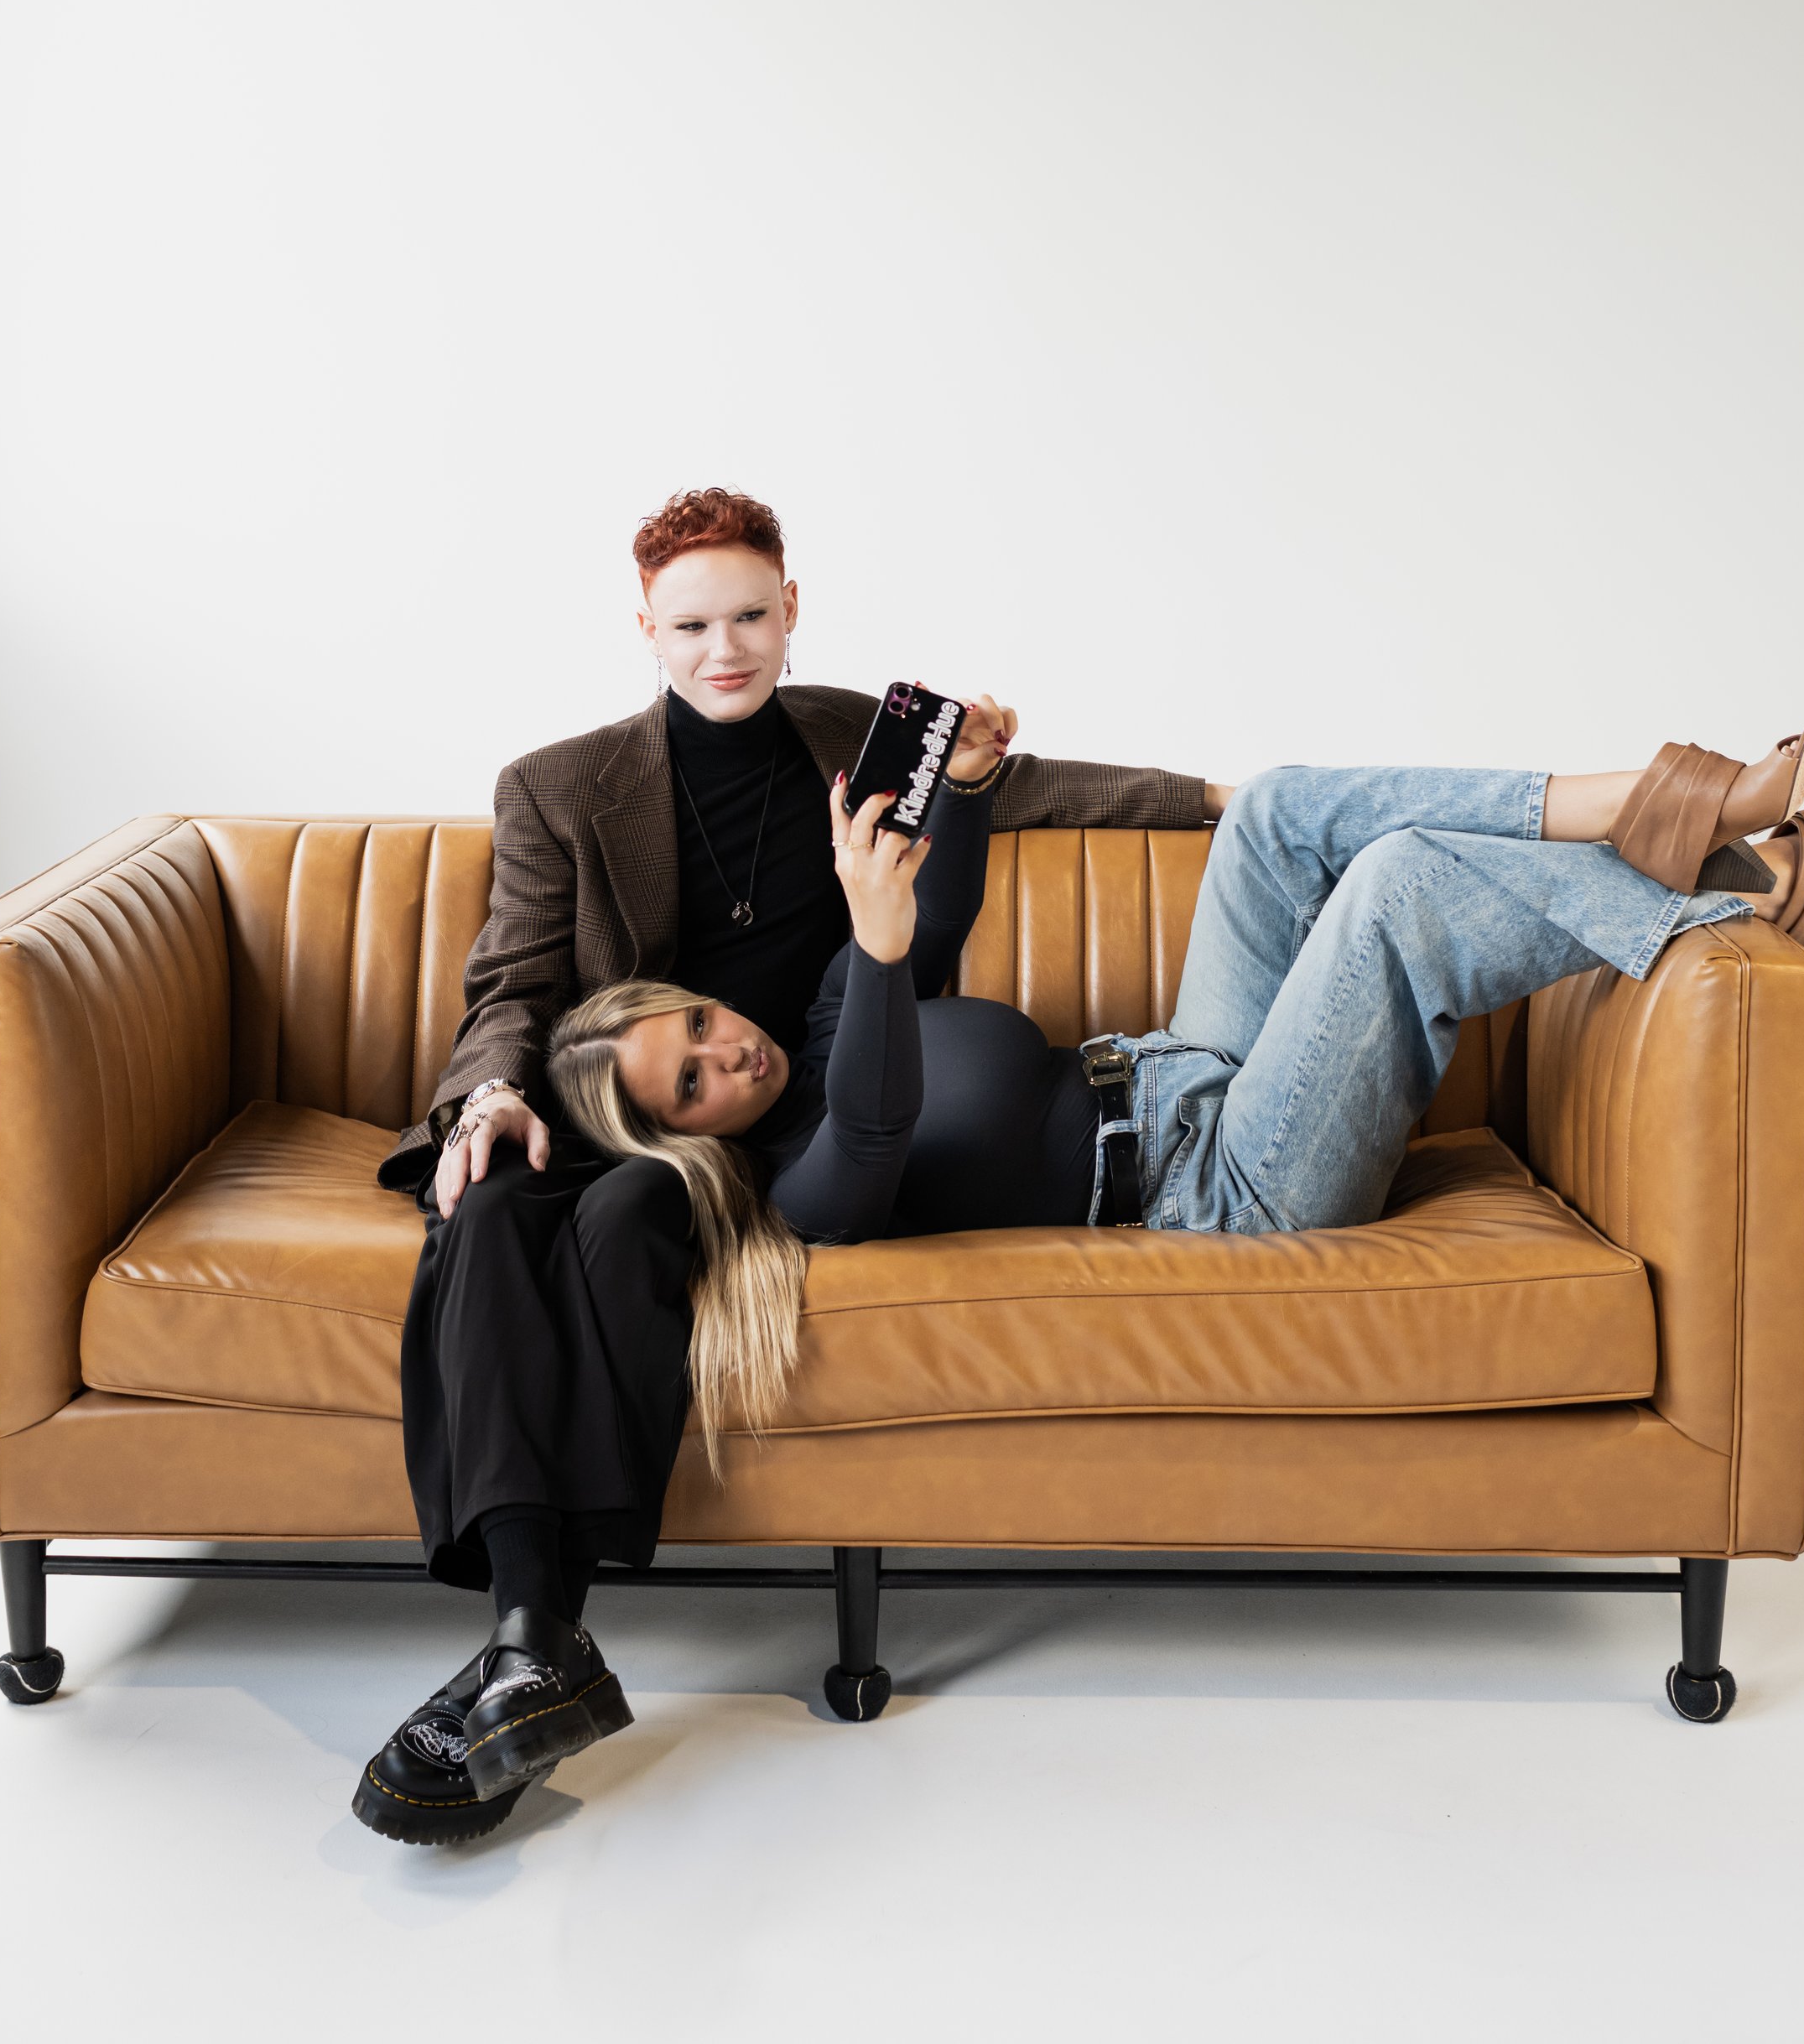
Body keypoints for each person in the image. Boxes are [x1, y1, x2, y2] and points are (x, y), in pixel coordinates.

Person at [532, 727, 1804, 1770]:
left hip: (1174, 1071)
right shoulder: (798, 1191)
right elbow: (883, 1117)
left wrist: (957, 792)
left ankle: (1652, 805)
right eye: (695, 1081)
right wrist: (882, 953)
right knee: (1390, 889)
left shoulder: (822, 1026)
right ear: (686, 1143)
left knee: (1275, 814)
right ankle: (1762, 891)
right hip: (1227, 1180)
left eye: (702, 1024)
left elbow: (928, 907)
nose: (733, 1051)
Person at [352, 486, 1230, 1846]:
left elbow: (1050, 791)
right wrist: (489, 1098)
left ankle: (535, 1645)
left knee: (630, 1217)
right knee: (491, 1205)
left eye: (751, 614)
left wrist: (1217, 803)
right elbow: (514, 981)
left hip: (822, 1100)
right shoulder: (560, 786)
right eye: (693, 624)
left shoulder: (846, 736)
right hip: (654, 1100)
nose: (727, 650)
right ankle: (535, 1635)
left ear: (791, 605)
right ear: (645, 629)